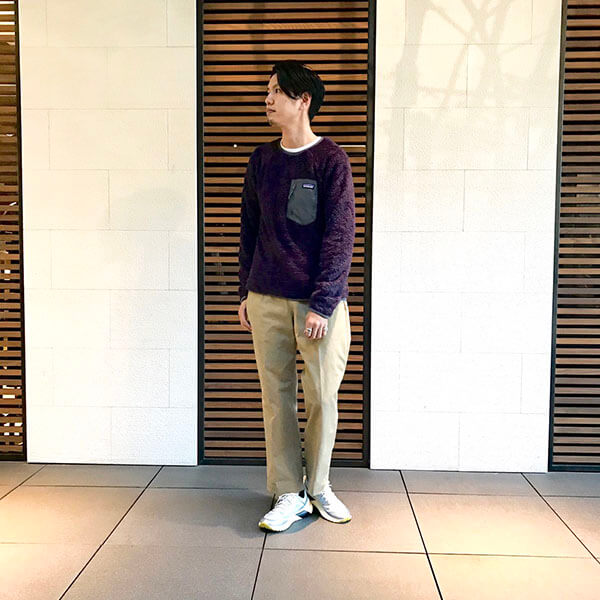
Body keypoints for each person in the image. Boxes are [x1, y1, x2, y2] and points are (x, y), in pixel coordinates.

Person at [237, 60, 355, 532]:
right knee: (277, 397)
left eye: (276, 91)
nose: (267, 99)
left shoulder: (330, 160)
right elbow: (249, 228)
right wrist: (245, 291)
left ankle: (320, 485)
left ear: (302, 100)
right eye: (267, 91)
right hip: (266, 297)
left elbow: (340, 236)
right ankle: (289, 491)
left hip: (317, 304)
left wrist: (323, 303)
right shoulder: (262, 160)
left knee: (323, 395)